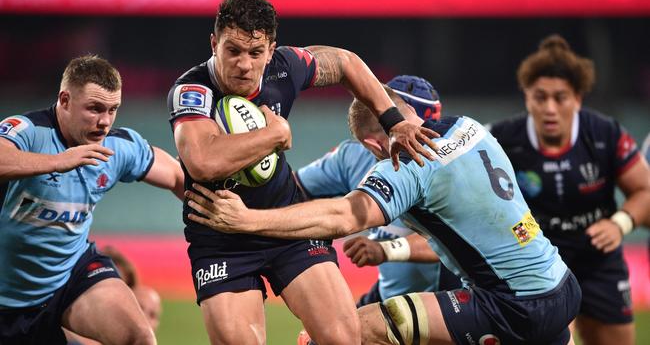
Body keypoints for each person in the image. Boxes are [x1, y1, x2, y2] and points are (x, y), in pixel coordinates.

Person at [185, 90, 581, 345]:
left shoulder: (408, 165)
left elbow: (343, 216)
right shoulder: (470, 127)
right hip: (562, 284)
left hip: (512, 305)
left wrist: (246, 220)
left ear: (372, 144)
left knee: (348, 331)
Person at [166, 0, 437, 345]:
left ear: (271, 49)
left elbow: (344, 62)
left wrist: (393, 122)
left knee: (344, 338)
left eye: (255, 53)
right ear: (214, 43)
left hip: (288, 224)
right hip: (221, 237)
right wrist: (274, 134)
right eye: (232, 51)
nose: (244, 65)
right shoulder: (193, 90)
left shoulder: (284, 67)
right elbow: (202, 162)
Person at [0, 55, 184, 345]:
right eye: (95, 109)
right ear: (64, 100)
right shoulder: (29, 131)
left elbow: (177, 178)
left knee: (139, 338)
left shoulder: (116, 147)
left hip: (69, 278)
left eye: (113, 110)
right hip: (6, 296)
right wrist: (57, 161)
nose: (105, 122)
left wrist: (230, 218)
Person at [487, 34, 650, 345]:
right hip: (535, 261)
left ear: (577, 98)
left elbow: (645, 191)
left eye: (560, 97)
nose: (549, 108)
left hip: (597, 260)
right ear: (527, 97)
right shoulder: (501, 139)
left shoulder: (605, 134)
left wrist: (621, 224)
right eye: (540, 97)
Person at [295, 75, 459, 306]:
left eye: (429, 128)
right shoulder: (352, 156)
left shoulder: (444, 166)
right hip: (387, 297)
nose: (425, 136)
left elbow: (455, 241)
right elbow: (294, 188)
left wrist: (386, 250)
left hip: (446, 298)